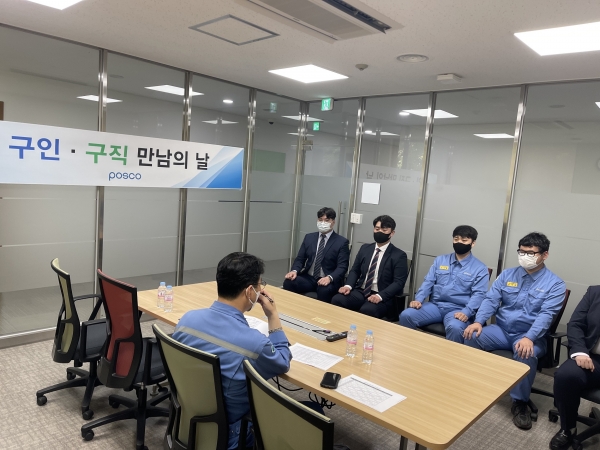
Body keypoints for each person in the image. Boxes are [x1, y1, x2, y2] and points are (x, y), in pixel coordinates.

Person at [172, 252, 291, 450]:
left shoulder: (187, 320)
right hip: (229, 436)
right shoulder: (254, 343)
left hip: (187, 420)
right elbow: (283, 362)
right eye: (260, 285)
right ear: (250, 291)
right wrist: (273, 315)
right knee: (312, 411)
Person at [463, 232, 566, 431]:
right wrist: (478, 321)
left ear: (544, 255)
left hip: (530, 336)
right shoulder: (507, 275)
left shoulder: (555, 284)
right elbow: (491, 300)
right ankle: (473, 385)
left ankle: (519, 403)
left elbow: (546, 315)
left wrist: (529, 337)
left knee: (525, 351)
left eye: (531, 253)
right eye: (521, 252)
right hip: (501, 330)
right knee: (471, 335)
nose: (525, 256)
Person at [399, 225, 489, 343]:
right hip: (435, 306)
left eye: (464, 240)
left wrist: (466, 312)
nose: (459, 242)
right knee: (406, 315)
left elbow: (479, 294)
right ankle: (409, 347)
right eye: (456, 239)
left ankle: (451, 355)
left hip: (458, 310)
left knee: (455, 327)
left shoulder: (480, 268)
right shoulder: (440, 260)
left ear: (473, 243)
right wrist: (419, 299)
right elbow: (428, 282)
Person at [550, 286, 600, 450]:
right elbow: (576, 324)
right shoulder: (595, 292)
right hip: (593, 359)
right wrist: (580, 352)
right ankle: (568, 428)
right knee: (566, 375)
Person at [331, 215, 408, 318]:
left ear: (392, 233)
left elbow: (399, 282)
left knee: (368, 310)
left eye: (384, 230)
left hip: (382, 295)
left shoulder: (399, 255)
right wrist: (348, 286)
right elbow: (355, 270)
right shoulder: (365, 248)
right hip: (361, 291)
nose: (379, 232)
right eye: (377, 229)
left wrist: (380, 296)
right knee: (338, 299)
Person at [283, 207, 350, 303]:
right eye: (320, 220)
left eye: (327, 220)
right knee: (289, 282)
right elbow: (300, 259)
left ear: (333, 222)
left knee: (324, 290)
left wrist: (329, 278)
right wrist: (294, 271)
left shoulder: (341, 242)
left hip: (328, 279)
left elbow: (342, 267)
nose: (323, 223)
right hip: (309, 277)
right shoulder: (309, 237)